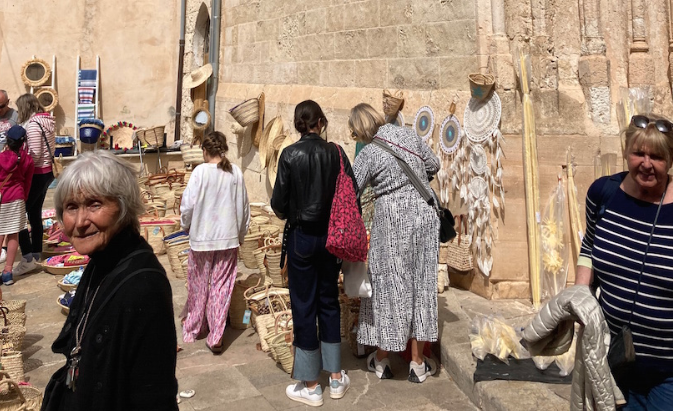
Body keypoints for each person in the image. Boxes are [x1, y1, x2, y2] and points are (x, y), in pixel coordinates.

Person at [42, 151, 178, 411]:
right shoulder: (100, 262)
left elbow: (153, 395)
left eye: (94, 205)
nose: (81, 222)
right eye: (71, 207)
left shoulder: (143, 285)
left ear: (123, 207)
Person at [575, 113, 673, 409]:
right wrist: (580, 295)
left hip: (667, 373)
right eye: (638, 153)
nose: (646, 163)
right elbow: (589, 246)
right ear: (625, 152)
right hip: (610, 359)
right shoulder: (602, 194)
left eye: (656, 156)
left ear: (670, 160)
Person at [348, 103, 440, 383]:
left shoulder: (369, 152)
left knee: (388, 286)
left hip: (391, 220)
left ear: (360, 129)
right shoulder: (410, 135)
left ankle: (383, 359)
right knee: (422, 285)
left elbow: (352, 190)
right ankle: (417, 363)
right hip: (425, 216)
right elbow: (434, 164)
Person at [271, 100, 351, 407]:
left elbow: (279, 205)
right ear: (320, 122)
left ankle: (311, 384)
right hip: (330, 237)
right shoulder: (335, 153)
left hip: (301, 237)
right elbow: (348, 193)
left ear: (298, 124)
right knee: (329, 301)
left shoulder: (290, 155)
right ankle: (335, 376)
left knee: (304, 305)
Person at [180, 131, 250, 353]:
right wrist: (240, 234)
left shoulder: (200, 172)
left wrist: (185, 225)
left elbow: (188, 206)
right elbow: (244, 208)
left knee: (198, 284)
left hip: (202, 238)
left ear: (204, 151)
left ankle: (195, 328)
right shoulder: (235, 173)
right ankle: (216, 335)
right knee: (221, 287)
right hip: (227, 239)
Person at [12, 93, 56, 276]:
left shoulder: (33, 125)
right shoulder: (47, 121)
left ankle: (28, 258)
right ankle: (36, 252)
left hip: (36, 174)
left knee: (20, 216)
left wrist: (20, 159)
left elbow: (35, 153)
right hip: (47, 172)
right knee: (34, 213)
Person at [0, 126, 33, 286]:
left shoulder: (1, 157)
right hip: (18, 197)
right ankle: (7, 273)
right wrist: (23, 198)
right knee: (14, 234)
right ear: (23, 142)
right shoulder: (28, 160)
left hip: (2, 198)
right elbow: (28, 182)